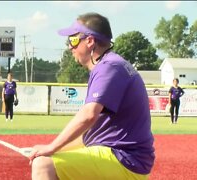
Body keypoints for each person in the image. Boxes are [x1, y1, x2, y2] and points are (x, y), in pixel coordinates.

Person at [29, 12, 155, 180]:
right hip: (123, 157)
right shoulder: (112, 65)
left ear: (89, 41)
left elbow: (88, 115)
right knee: (47, 158)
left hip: (125, 160)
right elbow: (91, 137)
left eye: (73, 40)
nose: (70, 47)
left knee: (43, 165)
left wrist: (51, 148)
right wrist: (49, 149)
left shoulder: (108, 67)